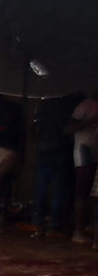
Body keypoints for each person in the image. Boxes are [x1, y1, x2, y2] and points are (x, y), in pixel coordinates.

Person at [29, 93, 80, 239]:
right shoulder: (69, 103)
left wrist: (35, 145)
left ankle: (38, 224)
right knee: (59, 189)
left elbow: (32, 127)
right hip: (60, 150)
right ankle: (55, 225)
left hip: (43, 150)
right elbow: (68, 129)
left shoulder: (44, 104)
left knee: (41, 188)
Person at [66, 90, 98, 244]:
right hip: (84, 152)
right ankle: (78, 231)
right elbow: (69, 128)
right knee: (82, 192)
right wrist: (91, 120)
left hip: (93, 152)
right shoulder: (84, 106)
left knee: (93, 192)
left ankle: (89, 225)